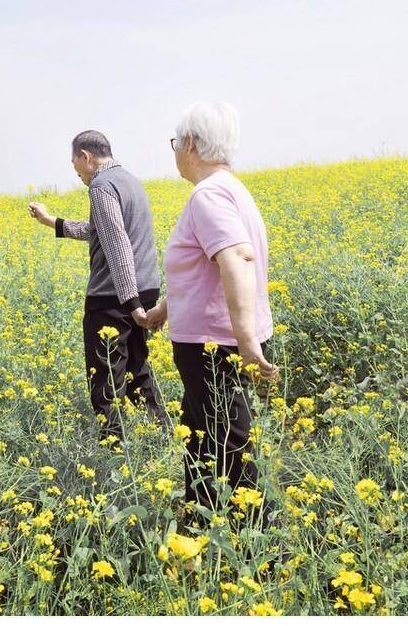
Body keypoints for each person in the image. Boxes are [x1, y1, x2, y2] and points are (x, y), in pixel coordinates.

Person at [141, 102, 280, 527]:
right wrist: (164, 310)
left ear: (189, 144)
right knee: (202, 438)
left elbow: (236, 258)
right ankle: (201, 526)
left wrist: (246, 343)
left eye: (173, 143)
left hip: (217, 347)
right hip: (217, 341)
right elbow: (205, 269)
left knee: (231, 447)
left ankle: (261, 543)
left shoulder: (208, 195)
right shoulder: (231, 188)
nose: (173, 151)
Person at [28, 130, 172, 447]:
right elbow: (101, 231)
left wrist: (130, 301)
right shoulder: (129, 181)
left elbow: (117, 246)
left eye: (74, 163)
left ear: (86, 156)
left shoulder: (101, 186)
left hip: (114, 297)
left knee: (104, 377)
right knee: (137, 369)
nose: (75, 171)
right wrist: (52, 221)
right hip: (144, 288)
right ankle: (165, 438)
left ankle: (112, 452)